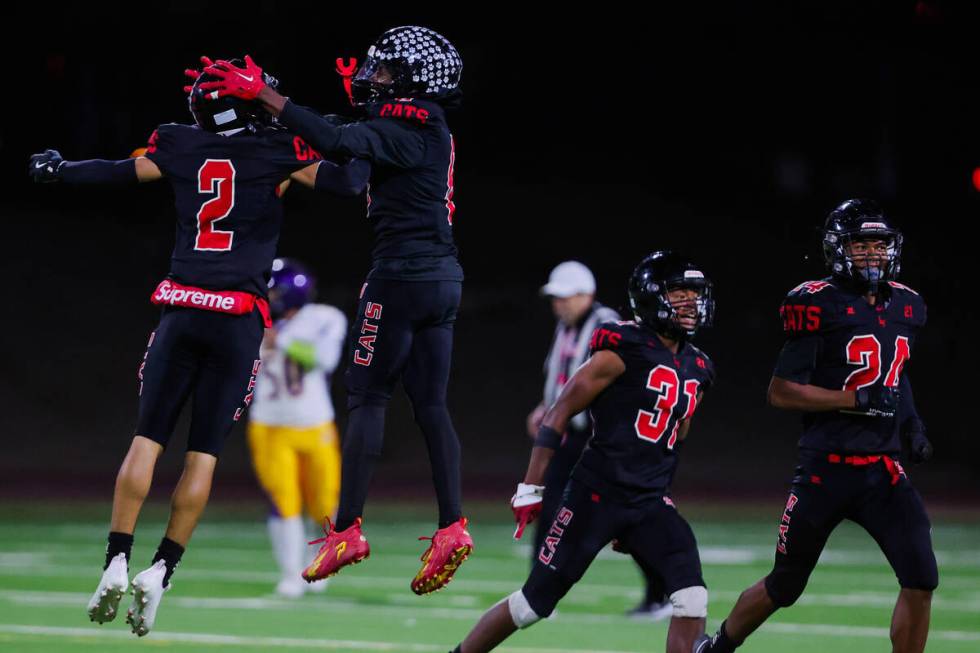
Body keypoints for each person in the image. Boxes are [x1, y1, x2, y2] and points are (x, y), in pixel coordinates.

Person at [29, 61, 367, 636]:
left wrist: (59, 170)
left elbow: (115, 173)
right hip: (237, 318)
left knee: (146, 439)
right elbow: (350, 183)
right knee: (203, 453)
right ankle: (163, 568)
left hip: (182, 308)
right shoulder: (278, 150)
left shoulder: (181, 144)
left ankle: (116, 558)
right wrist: (357, 137)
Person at [194, 26, 472, 594]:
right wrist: (283, 127)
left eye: (388, 71)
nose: (376, 78)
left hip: (400, 278)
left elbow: (343, 141)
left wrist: (270, 99)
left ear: (415, 80)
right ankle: (452, 524)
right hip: (443, 279)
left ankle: (345, 528)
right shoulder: (414, 126)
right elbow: (347, 162)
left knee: (369, 397)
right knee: (431, 405)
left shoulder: (412, 124)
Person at [695, 199, 936, 653]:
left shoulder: (907, 305)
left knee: (922, 578)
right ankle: (718, 647)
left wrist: (913, 424)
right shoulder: (817, 303)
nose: (871, 255)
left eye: (878, 245)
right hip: (825, 469)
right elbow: (781, 391)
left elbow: (895, 374)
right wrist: (855, 399)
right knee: (785, 585)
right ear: (837, 249)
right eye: (860, 245)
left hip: (882, 470)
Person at [452, 251, 716, 653]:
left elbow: (675, 437)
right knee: (531, 606)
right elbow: (559, 411)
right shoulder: (621, 348)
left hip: (647, 500)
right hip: (596, 495)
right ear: (650, 297)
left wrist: (658, 489)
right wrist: (532, 485)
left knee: (692, 597)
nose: (690, 303)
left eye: (693, 294)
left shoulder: (699, 366)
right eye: (678, 294)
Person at [529, 260, 671, 619]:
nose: (558, 304)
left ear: (586, 294)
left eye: (565, 297)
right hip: (572, 438)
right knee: (549, 511)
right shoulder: (568, 327)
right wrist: (546, 408)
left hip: (601, 441)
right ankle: (537, 592)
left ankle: (661, 593)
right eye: (556, 298)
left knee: (627, 520)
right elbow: (564, 377)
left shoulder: (607, 325)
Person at [247, 258, 348, 598]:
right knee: (283, 501)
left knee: (324, 502)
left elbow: (326, 358)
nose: (268, 298)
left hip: (314, 422)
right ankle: (291, 574)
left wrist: (282, 339)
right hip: (269, 425)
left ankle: (318, 564)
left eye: (274, 292)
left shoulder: (324, 317)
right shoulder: (253, 322)